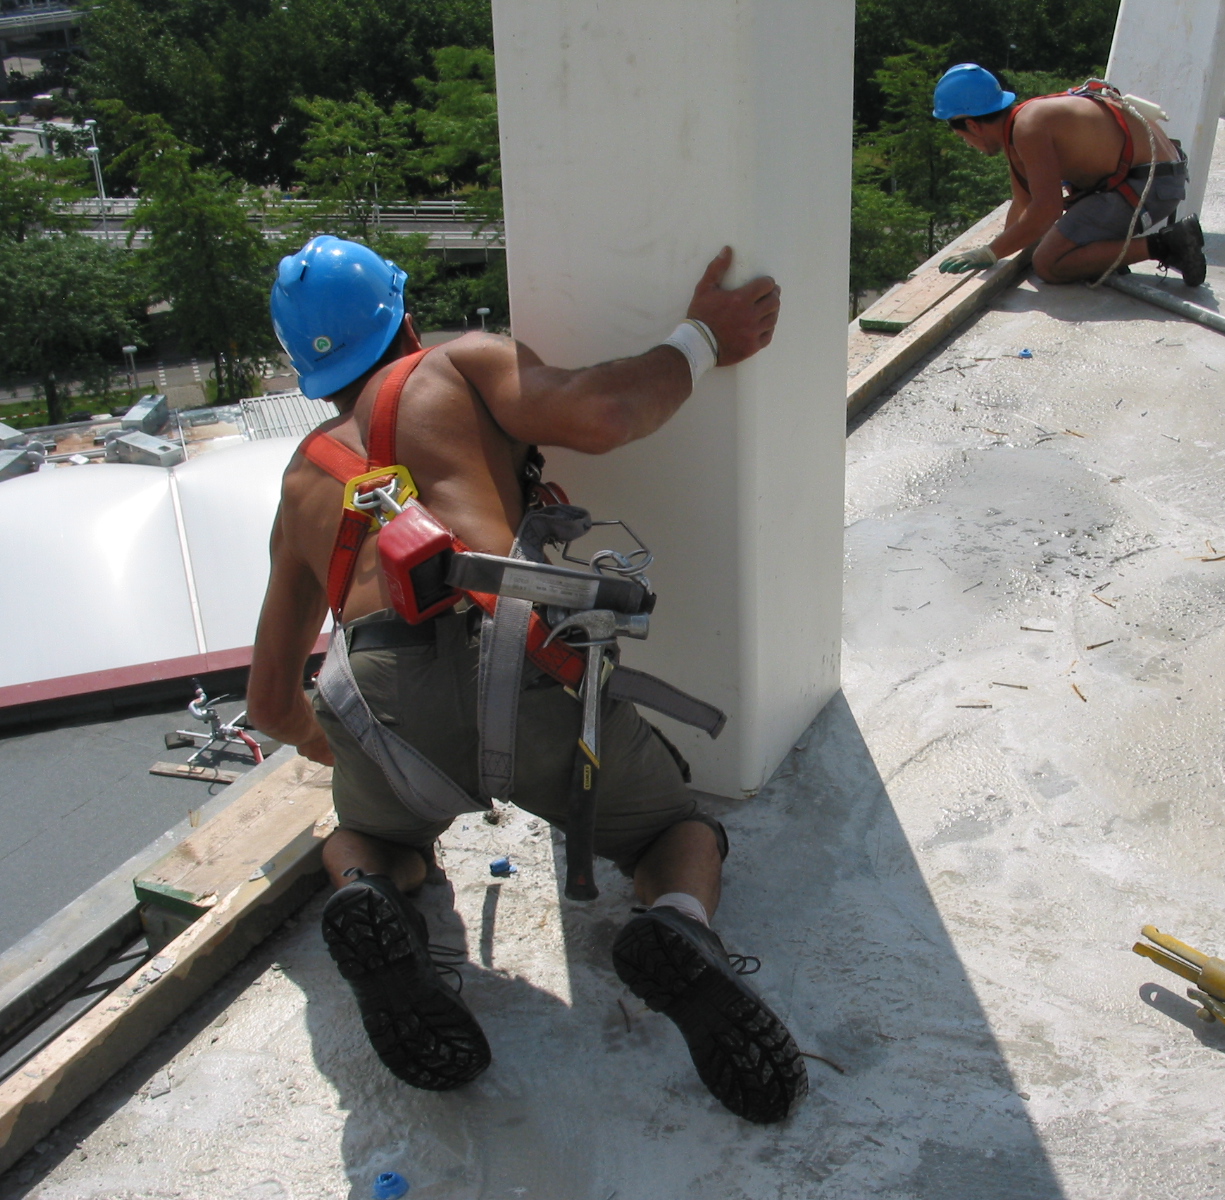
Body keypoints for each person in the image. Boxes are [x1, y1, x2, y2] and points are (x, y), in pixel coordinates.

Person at [247, 235, 806, 1123]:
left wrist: (352, 755)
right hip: (521, 663)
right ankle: (676, 927)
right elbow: (605, 414)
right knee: (672, 828)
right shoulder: (457, 368)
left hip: (381, 705)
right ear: (404, 315)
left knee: (366, 835)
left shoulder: (299, 482)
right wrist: (704, 335)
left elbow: (269, 705)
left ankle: (369, 891)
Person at [930, 63, 1208, 287]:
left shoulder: (1027, 128)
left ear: (972, 125)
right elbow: (1023, 203)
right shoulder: (1022, 123)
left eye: (962, 137)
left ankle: (1168, 244)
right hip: (1152, 174)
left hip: (1152, 182)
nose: (968, 144)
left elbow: (1045, 211)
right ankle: (1103, 253)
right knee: (1053, 240)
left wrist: (989, 253)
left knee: (1049, 263)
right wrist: (1001, 251)